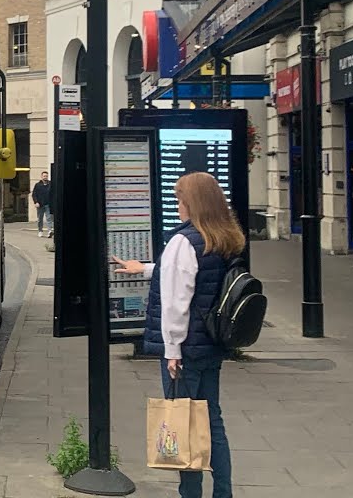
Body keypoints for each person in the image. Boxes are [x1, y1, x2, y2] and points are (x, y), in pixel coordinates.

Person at [112, 171, 243, 498]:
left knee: (183, 425)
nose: (177, 205)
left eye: (180, 199)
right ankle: (223, 492)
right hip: (211, 345)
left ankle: (190, 494)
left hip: (184, 351)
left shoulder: (183, 241)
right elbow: (193, 277)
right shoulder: (223, 238)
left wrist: (172, 351)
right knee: (212, 421)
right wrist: (144, 268)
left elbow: (176, 302)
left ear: (193, 203)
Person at [32, 171, 52, 238]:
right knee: (40, 219)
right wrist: (36, 202)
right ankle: (40, 231)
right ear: (41, 177)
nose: (45, 177)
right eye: (44, 176)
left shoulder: (50, 184)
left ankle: (49, 231)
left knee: (49, 218)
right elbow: (34, 194)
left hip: (48, 204)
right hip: (40, 205)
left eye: (46, 176)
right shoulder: (38, 185)